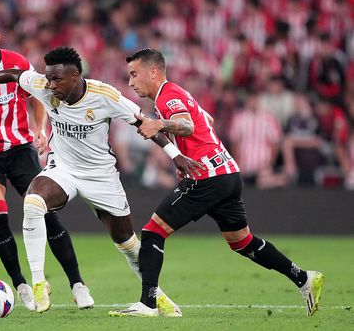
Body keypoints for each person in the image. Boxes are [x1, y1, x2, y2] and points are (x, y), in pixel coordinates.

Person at [0, 46, 202, 315]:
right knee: (33, 202)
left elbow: (146, 124)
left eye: (57, 80)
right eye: (48, 79)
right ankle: (38, 283)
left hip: (100, 176)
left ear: (75, 76)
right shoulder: (44, 86)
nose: (51, 85)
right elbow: (14, 74)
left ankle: (157, 296)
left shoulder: (104, 95)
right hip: (64, 169)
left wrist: (176, 156)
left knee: (127, 244)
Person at [110, 48, 325, 317]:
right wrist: (185, 150)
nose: (130, 82)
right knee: (242, 242)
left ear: (153, 72)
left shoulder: (168, 96)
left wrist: (160, 125)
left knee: (153, 232)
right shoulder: (178, 92)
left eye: (134, 74)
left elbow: (187, 126)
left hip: (207, 176)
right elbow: (206, 120)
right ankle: (304, 278)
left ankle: (148, 304)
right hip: (228, 173)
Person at [0, 13, 93, 312]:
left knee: (46, 214)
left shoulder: (18, 63)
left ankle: (77, 284)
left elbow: (38, 97)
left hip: (20, 148)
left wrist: (40, 128)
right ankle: (21, 284)